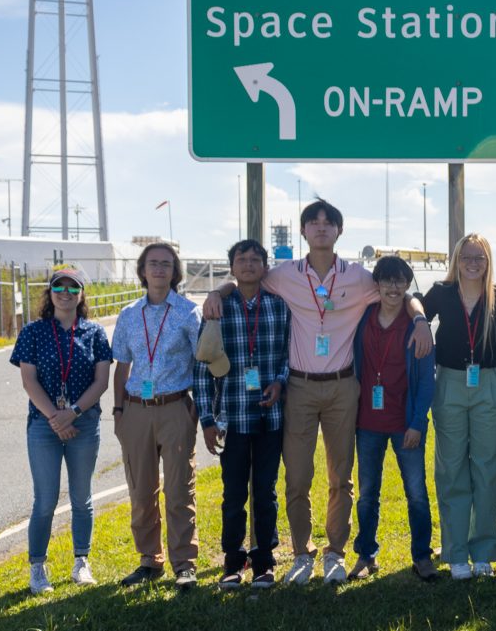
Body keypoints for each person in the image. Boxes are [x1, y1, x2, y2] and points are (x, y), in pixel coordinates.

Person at [202, 198, 431, 585]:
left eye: (329, 222)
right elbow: (246, 278)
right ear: (303, 231)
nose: (321, 227)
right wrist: (217, 293)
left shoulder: (357, 277)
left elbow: (399, 291)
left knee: (341, 477)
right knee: (297, 478)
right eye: (313, 221)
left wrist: (420, 317)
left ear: (339, 231)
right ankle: (302, 553)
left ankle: (336, 553)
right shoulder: (285, 274)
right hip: (299, 387)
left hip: (343, 386)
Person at [193, 239, 290, 590]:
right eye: (241, 259)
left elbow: (288, 355)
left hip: (269, 419)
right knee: (233, 494)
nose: (248, 264)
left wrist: (280, 382)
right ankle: (233, 561)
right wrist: (207, 420)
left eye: (255, 259)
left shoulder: (279, 306)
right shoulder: (217, 308)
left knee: (265, 493)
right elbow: (202, 369)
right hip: (231, 419)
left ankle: (264, 561)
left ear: (265, 266)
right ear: (232, 267)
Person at [11, 265, 111, 594]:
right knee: (45, 500)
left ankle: (81, 561)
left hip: (84, 423)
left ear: (81, 294)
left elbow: (101, 381)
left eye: (72, 288)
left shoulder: (95, 333)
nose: (65, 293)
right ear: (50, 292)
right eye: (59, 287)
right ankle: (37, 567)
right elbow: (29, 381)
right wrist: (56, 417)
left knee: (82, 498)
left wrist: (73, 413)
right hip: (44, 424)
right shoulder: (33, 331)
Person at [422, 233, 496, 579]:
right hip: (450, 382)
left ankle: (485, 551)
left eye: (479, 258)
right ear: (456, 260)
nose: (473, 264)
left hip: (489, 382)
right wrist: (418, 321)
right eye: (466, 257)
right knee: (452, 468)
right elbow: (414, 309)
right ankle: (456, 551)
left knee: (487, 468)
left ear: (488, 262)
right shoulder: (442, 292)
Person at [113, 243, 202, 590]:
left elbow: (203, 363)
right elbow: (122, 366)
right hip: (136, 410)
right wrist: (119, 411)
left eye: (166, 264)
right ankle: (150, 560)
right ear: (143, 270)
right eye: (153, 263)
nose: (160, 269)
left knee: (179, 490)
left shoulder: (189, 313)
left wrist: (195, 408)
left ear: (175, 271)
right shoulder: (128, 314)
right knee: (141, 491)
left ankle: (184, 563)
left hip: (175, 408)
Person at [349, 256, 438, 582]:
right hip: (367, 422)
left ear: (407, 285)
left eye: (400, 281)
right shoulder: (362, 318)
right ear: (377, 284)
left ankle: (422, 556)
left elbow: (427, 381)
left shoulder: (417, 328)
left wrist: (417, 423)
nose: (393, 287)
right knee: (367, 494)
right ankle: (366, 554)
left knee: (416, 493)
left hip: (405, 424)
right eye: (387, 280)